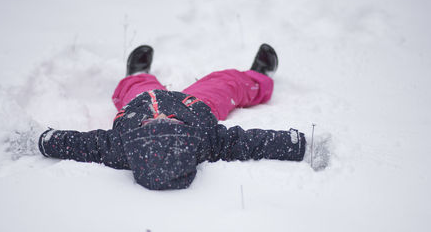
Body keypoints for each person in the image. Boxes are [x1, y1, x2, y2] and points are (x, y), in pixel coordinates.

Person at [29, 43, 329, 191]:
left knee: (136, 88)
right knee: (226, 83)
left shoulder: (121, 146)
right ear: (186, 139)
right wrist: (299, 145)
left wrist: (44, 141)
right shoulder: (205, 140)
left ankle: (136, 75)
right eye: (171, 126)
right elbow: (250, 142)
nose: (162, 120)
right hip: (197, 104)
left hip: (140, 100)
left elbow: (81, 145)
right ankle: (258, 77)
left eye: (152, 127)